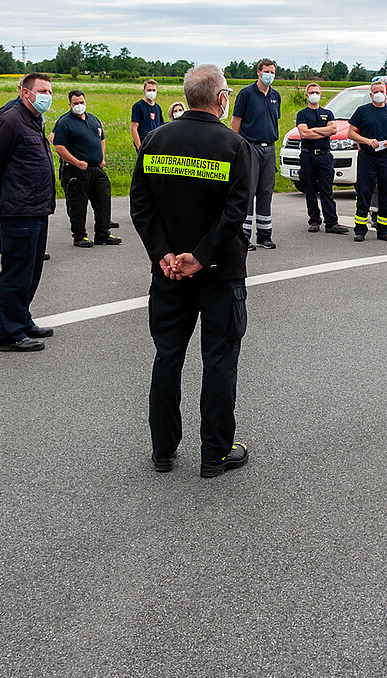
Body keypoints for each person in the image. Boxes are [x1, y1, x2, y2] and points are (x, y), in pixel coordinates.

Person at [130, 64, 253, 478]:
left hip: (168, 273)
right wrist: (201, 256)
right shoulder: (234, 145)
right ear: (221, 98)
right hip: (219, 273)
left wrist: (163, 253)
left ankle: (163, 451)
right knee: (219, 359)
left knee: (167, 357)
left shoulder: (155, 140)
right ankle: (215, 454)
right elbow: (235, 212)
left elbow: (140, 203)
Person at [0, 73, 57, 353]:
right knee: (16, 272)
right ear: (25, 92)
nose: (47, 96)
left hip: (37, 207)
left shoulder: (34, 119)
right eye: (42, 90)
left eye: (49, 91)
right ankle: (10, 333)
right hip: (19, 208)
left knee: (31, 270)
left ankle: (22, 320)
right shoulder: (10, 120)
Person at [52, 90, 121, 248]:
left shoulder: (93, 119)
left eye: (81, 102)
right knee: (78, 204)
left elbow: (101, 139)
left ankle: (103, 234)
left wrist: (102, 157)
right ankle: (80, 236)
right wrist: (77, 162)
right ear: (70, 104)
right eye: (75, 103)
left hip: (96, 168)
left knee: (103, 200)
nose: (79, 105)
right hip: (76, 170)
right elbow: (59, 147)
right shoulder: (65, 122)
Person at [230, 59, 282, 250]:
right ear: (259, 72)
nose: (270, 75)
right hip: (250, 147)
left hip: (269, 148)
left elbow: (273, 120)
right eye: (267, 71)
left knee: (266, 192)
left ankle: (264, 235)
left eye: (273, 72)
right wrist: (238, 148)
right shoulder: (246, 94)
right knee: (248, 191)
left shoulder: (275, 96)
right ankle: (243, 237)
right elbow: (236, 122)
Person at [348, 80, 387, 242]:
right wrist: (366, 140)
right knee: (364, 192)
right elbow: (351, 133)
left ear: (386, 94)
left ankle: (383, 230)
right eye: (376, 92)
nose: (379, 94)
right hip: (367, 157)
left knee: (386, 192)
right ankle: (360, 230)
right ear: (371, 94)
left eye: (382, 91)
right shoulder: (362, 111)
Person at [295, 81, 347, 234]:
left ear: (321, 95)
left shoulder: (327, 113)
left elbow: (333, 129)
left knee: (327, 190)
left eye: (317, 92)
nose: (314, 95)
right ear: (306, 95)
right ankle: (314, 220)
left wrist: (314, 130)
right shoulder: (302, 114)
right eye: (312, 93)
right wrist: (323, 131)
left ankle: (331, 222)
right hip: (308, 155)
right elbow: (304, 133)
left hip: (324, 156)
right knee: (310, 189)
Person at [130, 78, 164, 150]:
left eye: (153, 90)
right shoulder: (138, 106)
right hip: (144, 143)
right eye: (149, 90)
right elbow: (134, 128)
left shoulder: (158, 108)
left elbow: (161, 127)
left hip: (155, 144)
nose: (152, 92)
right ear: (144, 91)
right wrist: (139, 146)